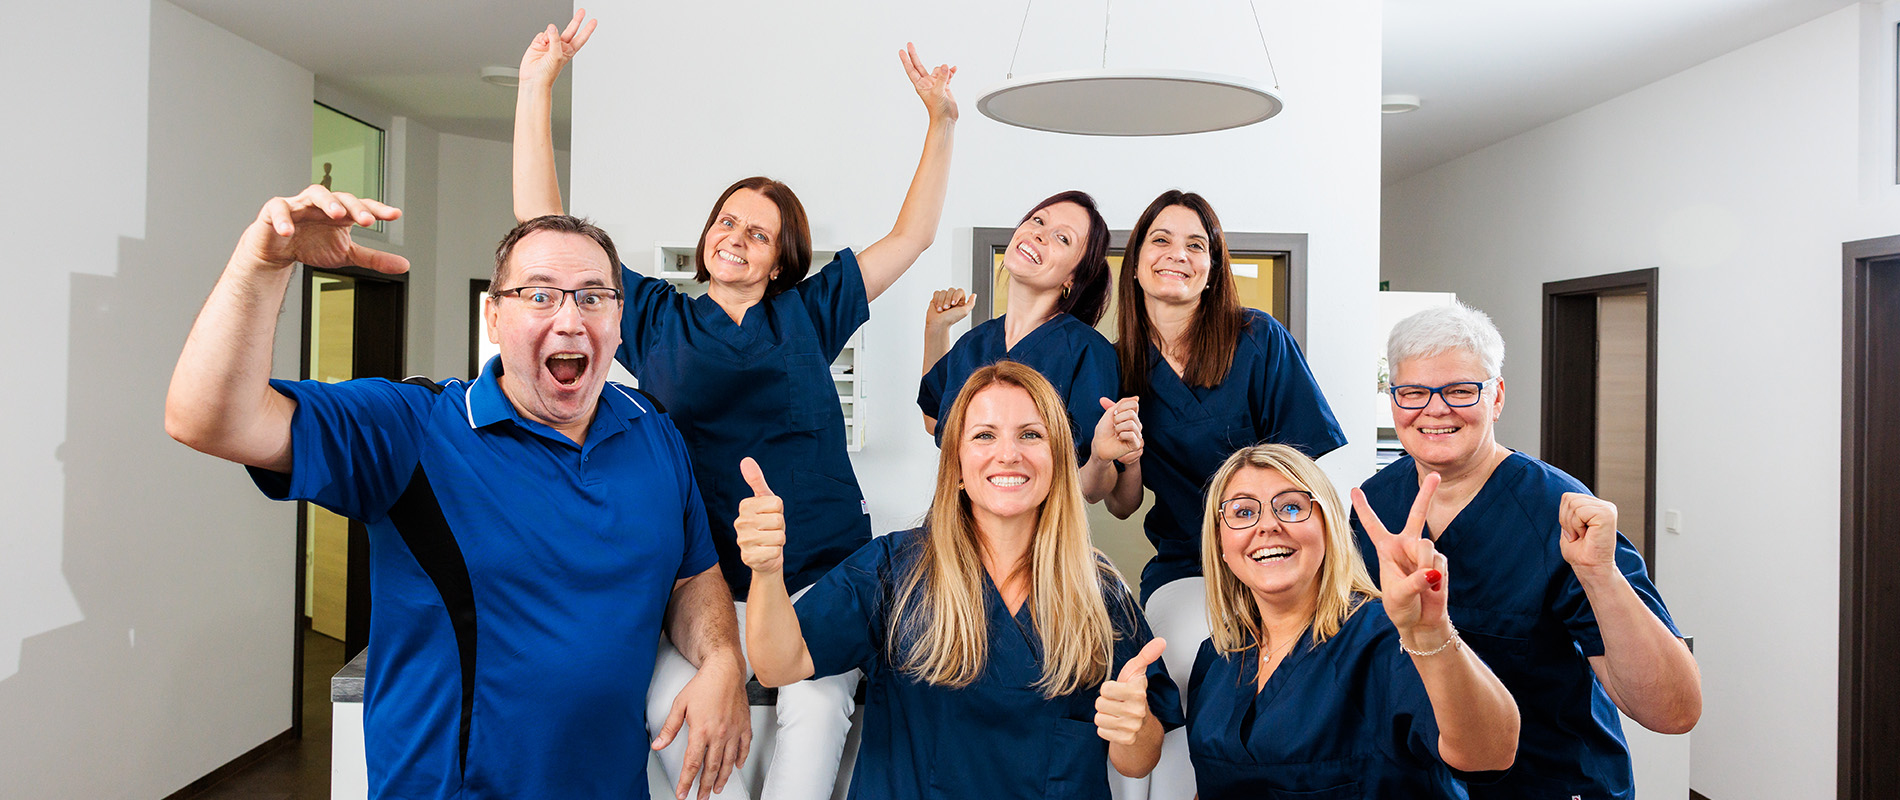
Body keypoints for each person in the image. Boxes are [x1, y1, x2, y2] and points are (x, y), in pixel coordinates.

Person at [164, 187, 745, 800]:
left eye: (593, 297)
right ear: (493, 317)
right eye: (540, 294)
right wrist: (263, 266)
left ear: (618, 319)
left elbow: (691, 575)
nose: (570, 319)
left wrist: (723, 660)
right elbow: (206, 418)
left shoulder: (652, 428)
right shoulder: (414, 429)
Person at [512, 11, 957, 799]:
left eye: (758, 231)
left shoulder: (811, 310)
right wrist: (537, 87)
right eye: (727, 221)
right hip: (701, 579)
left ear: (783, 256)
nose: (736, 236)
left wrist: (941, 121)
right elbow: (543, 231)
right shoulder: (652, 316)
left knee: (817, 712)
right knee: (666, 714)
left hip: (819, 567)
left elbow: (913, 234)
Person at [740, 362, 1181, 800]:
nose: (1008, 453)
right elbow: (779, 662)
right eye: (984, 435)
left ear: (1059, 460)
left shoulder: (1098, 591)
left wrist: (1134, 725)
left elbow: (1139, 759)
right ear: (956, 464)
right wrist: (765, 571)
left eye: (1030, 434)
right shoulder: (895, 571)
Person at [1354, 301, 1701, 799]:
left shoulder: (1557, 513)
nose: (1434, 409)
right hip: (1419, 782)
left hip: (1549, 781)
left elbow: (1673, 712)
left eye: (1459, 390)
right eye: (1413, 392)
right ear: (1393, 402)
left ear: (1495, 397)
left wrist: (1601, 575)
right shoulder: (1374, 507)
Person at [1096, 191, 1345, 797]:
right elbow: (1124, 502)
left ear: (1212, 269)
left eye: (1195, 245)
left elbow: (1302, 472)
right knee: (1170, 675)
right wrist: (1119, 454)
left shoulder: (1258, 340)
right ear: (1134, 263)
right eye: (1160, 240)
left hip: (1271, 556)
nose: (1176, 255)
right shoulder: (1116, 365)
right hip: (1186, 562)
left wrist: (1265, 541)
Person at [1169, 444, 1518, 798]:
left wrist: (1431, 632)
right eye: (1243, 512)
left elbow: (1489, 754)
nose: (1268, 526)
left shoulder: (1384, 639)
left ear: (1328, 527)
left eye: (1291, 507)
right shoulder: (1218, 657)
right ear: (1221, 544)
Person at [918, 191, 1126, 502]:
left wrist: (1100, 458)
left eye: (1062, 238)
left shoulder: (1088, 352)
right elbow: (935, 422)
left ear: (1074, 275)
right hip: (954, 527)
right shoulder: (973, 343)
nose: (1039, 234)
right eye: (1037, 220)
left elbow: (1092, 488)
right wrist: (936, 329)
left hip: (1036, 537)